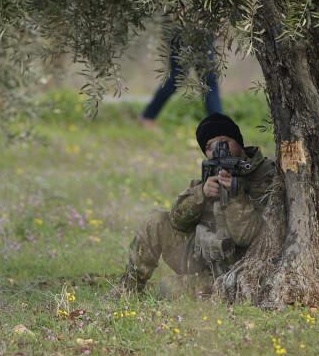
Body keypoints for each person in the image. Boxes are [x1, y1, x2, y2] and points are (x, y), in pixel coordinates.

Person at [116, 113, 276, 295]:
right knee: (157, 220)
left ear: (239, 142)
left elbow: (248, 237)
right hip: (201, 257)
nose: (218, 150)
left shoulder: (266, 176)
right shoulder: (210, 173)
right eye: (209, 147)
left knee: (167, 289)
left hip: (236, 270)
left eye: (224, 142)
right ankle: (127, 291)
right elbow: (177, 221)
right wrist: (201, 194)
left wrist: (235, 196)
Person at [140, 28, 223, 128]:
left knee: (208, 80)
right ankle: (148, 116)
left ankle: (219, 124)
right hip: (184, 28)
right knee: (179, 77)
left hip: (199, 29)